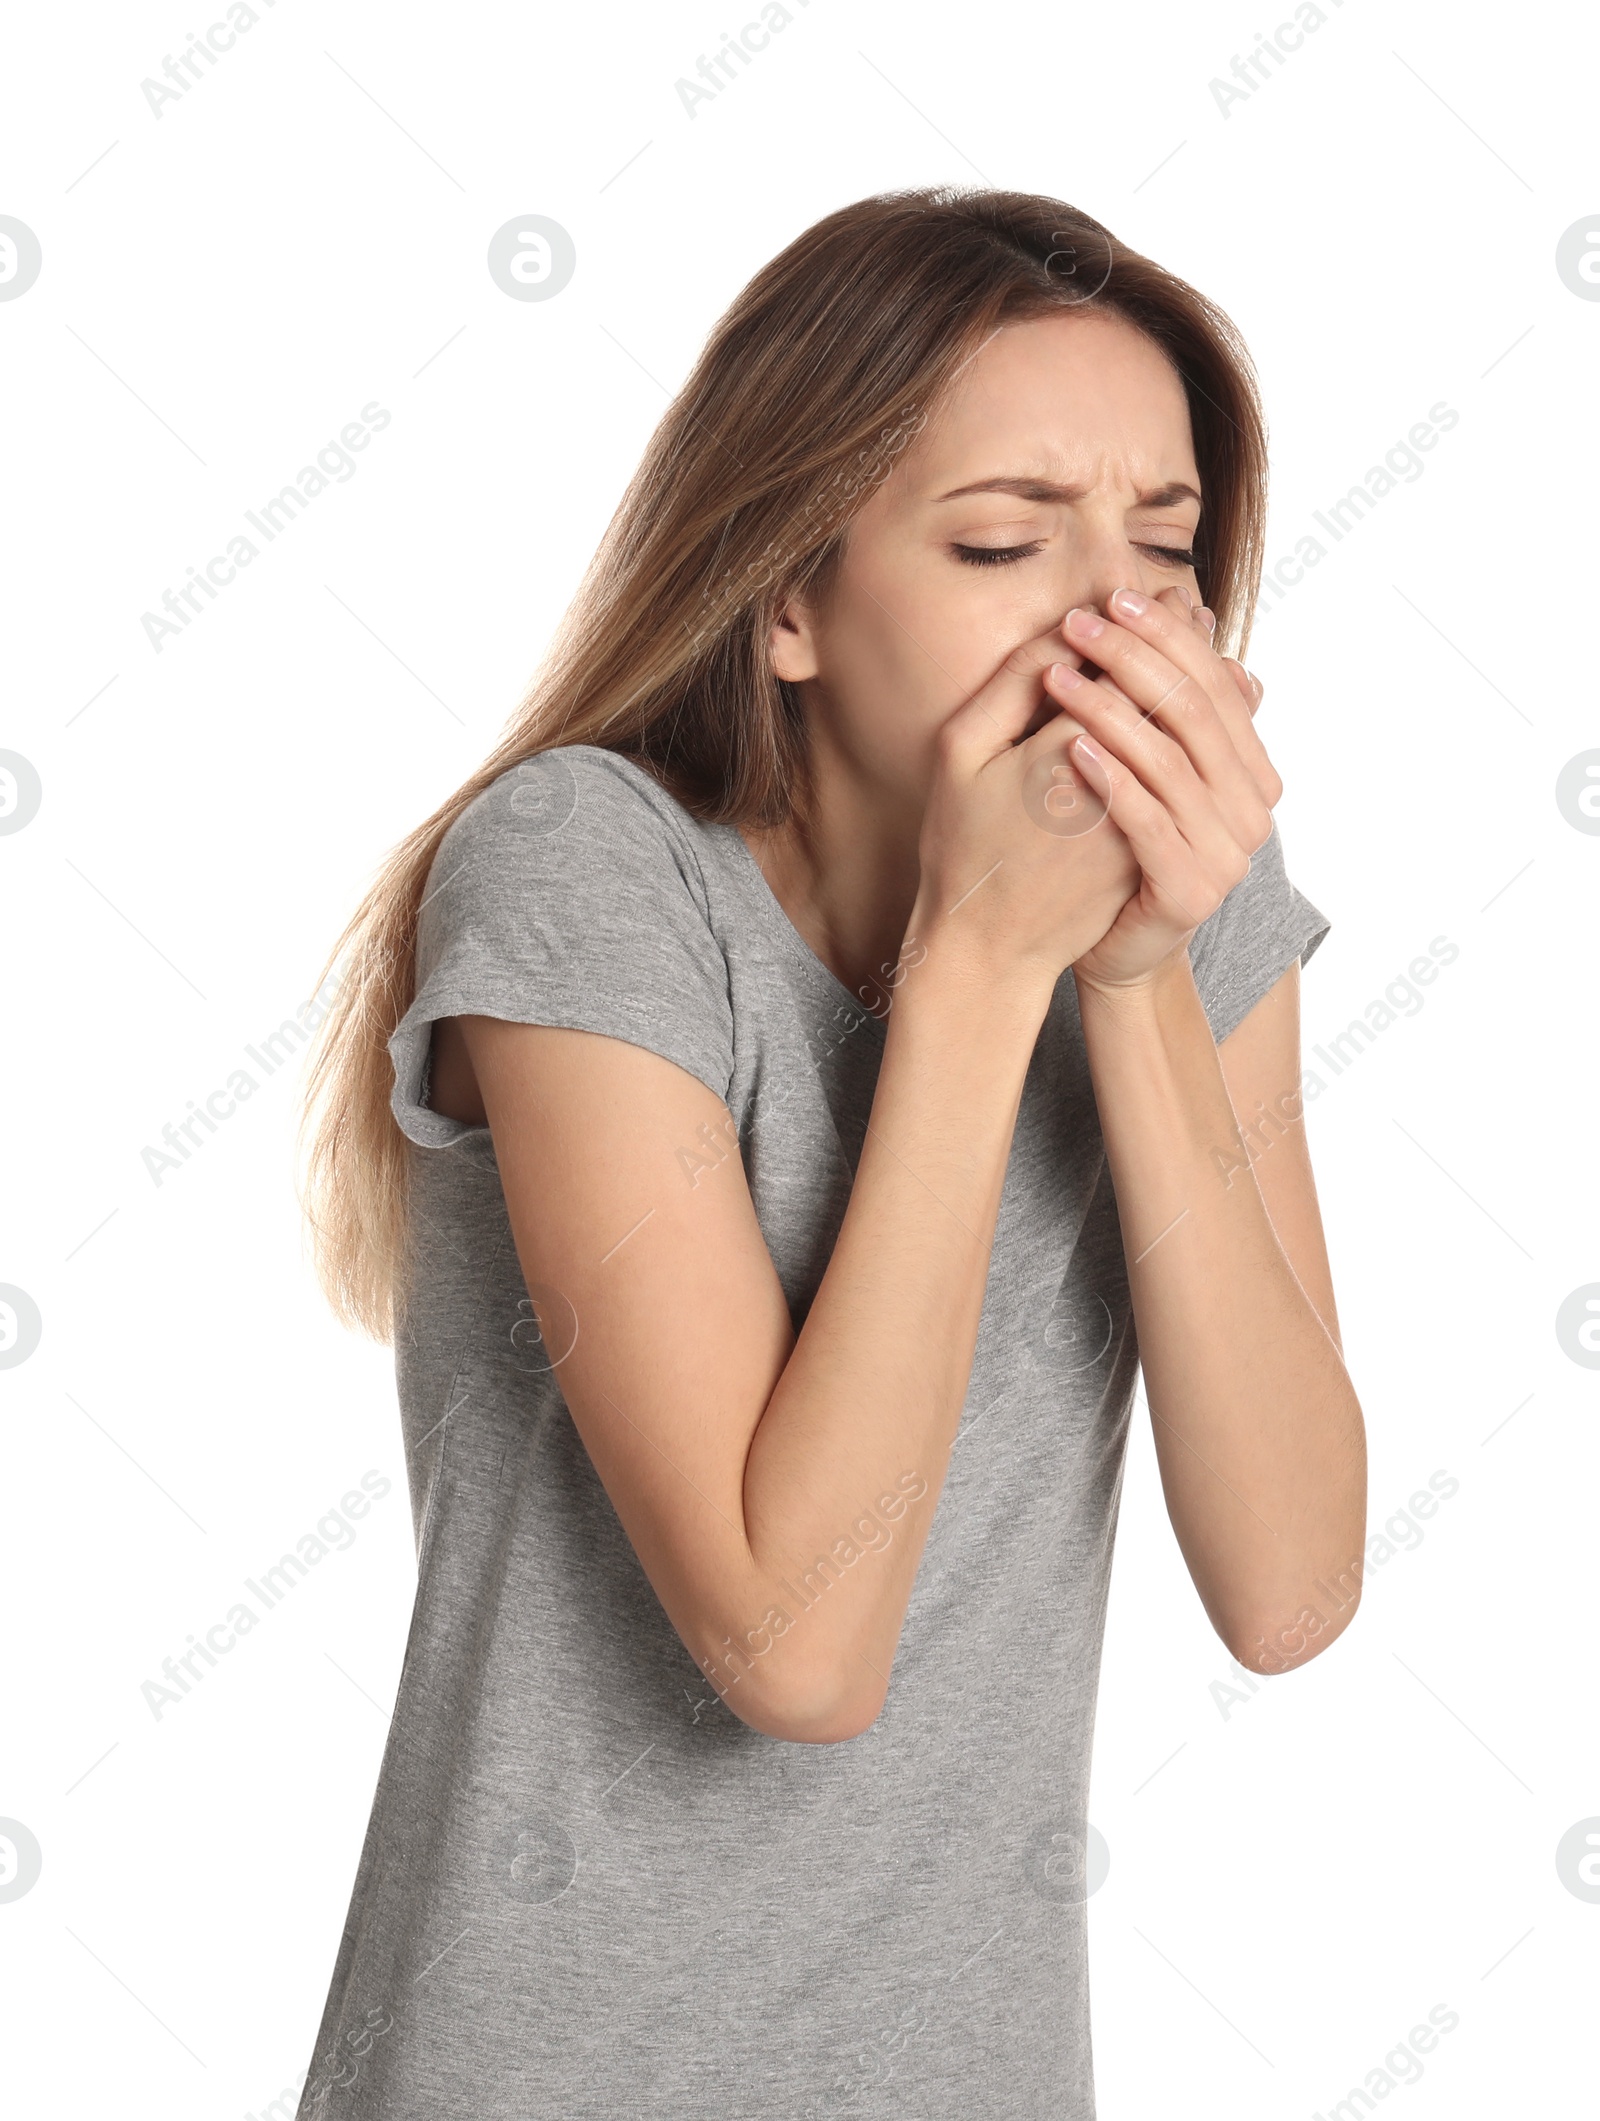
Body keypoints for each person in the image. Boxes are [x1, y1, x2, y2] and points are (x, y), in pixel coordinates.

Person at [294, 185, 1366, 2119]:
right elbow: (793, 1645)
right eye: (999, 541)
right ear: (789, 598)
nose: (1110, 623)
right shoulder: (587, 871)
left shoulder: (1191, 904)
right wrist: (980, 968)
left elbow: (1289, 1586)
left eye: (1169, 548)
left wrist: (1129, 986)